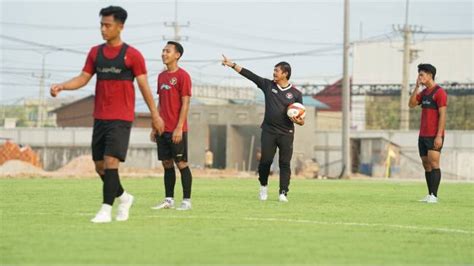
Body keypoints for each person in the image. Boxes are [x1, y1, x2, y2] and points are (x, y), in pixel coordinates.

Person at [50, 6, 163, 223]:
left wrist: (155, 115)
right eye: (101, 24)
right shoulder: (95, 53)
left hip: (121, 118)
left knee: (111, 161)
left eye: (107, 25)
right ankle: (124, 197)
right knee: (100, 166)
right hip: (100, 117)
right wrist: (62, 86)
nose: (103, 29)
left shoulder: (133, 56)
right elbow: (83, 78)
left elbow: (144, 87)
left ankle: (105, 209)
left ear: (120, 27)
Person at [221, 55, 304, 202]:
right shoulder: (268, 85)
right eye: (274, 70)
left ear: (285, 73)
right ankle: (263, 187)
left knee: (284, 163)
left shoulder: (296, 94)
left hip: (286, 133)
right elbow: (250, 75)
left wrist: (297, 120)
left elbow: (301, 120)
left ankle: (283, 193)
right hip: (269, 131)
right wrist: (232, 65)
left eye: (277, 71)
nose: (274, 73)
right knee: (265, 161)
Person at [151, 41, 193, 211]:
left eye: (167, 51)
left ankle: (186, 201)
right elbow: (160, 103)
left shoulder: (183, 76)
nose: (163, 54)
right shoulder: (161, 76)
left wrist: (179, 127)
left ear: (177, 55)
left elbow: (185, 103)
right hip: (162, 129)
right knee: (167, 164)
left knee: (181, 164)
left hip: (177, 130)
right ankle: (168, 200)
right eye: (163, 50)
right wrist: (155, 125)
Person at [408, 63, 447, 204]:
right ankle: (430, 194)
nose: (419, 77)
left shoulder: (439, 92)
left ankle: (434, 196)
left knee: (434, 163)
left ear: (430, 75)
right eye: (419, 75)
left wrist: (439, 135)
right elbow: (411, 104)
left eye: (421, 75)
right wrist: (416, 87)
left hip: (434, 135)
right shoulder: (423, 93)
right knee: (426, 164)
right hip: (422, 135)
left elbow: (443, 115)